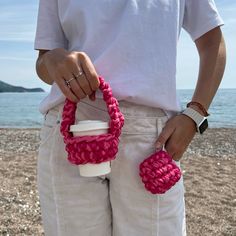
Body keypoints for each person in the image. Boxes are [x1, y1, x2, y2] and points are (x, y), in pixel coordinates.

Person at [34, 0, 226, 235]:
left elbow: (212, 40)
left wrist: (195, 113)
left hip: (150, 139)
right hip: (72, 128)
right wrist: (52, 60)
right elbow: (44, 61)